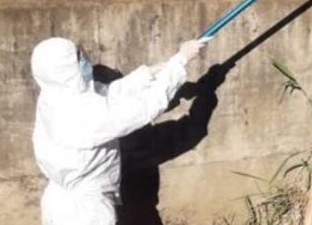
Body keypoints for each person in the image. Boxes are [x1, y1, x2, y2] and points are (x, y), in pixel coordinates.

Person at [31, 36, 210, 225]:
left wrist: (151, 72)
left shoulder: (55, 96)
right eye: (78, 57)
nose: (84, 58)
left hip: (59, 205)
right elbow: (148, 105)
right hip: (88, 212)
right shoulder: (85, 114)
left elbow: (109, 92)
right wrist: (180, 61)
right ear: (67, 68)